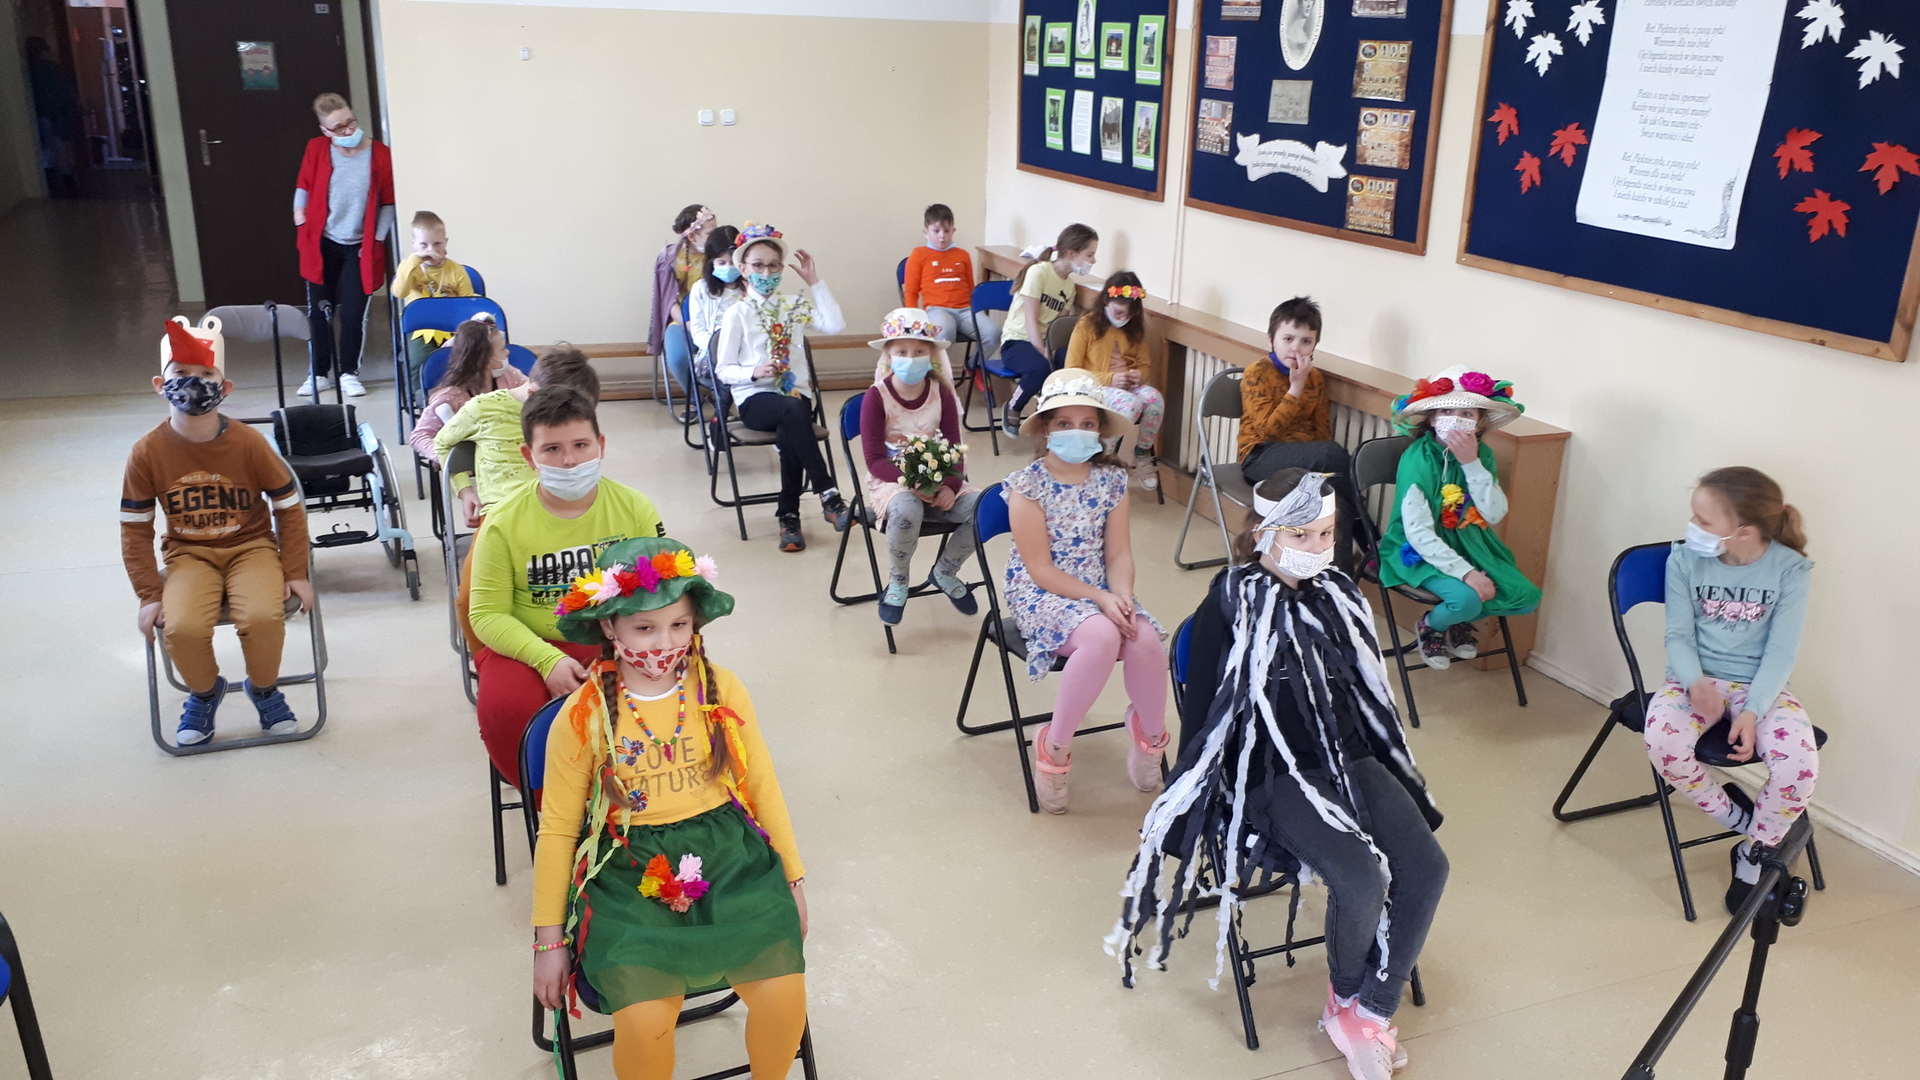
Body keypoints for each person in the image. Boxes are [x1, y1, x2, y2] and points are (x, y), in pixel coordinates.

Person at [1109, 469, 1447, 1080]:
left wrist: (1380, 768)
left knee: (1427, 866)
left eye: (1327, 534)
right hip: (1270, 773)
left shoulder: (1339, 595)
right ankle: (1349, 1000)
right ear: (1264, 531)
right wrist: (1192, 806)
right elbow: (1204, 715)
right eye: (1301, 535)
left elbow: (1363, 697)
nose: (1318, 548)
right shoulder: (1228, 603)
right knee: (1361, 877)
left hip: (1348, 759)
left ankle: (1367, 1010)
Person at [532, 538, 808, 1080]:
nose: (665, 643)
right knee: (644, 1022)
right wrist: (549, 941)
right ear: (609, 626)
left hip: (731, 858)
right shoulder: (583, 715)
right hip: (627, 872)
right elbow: (559, 830)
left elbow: (763, 787)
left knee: (783, 994)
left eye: (679, 625)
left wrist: (793, 880)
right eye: (645, 628)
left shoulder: (719, 688)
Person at [122, 317, 316, 745]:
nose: (193, 383)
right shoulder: (146, 452)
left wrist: (296, 571)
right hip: (188, 555)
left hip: (252, 548)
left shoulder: (248, 443)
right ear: (160, 384)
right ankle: (205, 693)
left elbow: (289, 508)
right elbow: (134, 529)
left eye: (206, 374)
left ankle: (264, 690)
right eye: (181, 372)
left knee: (263, 617)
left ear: (224, 388)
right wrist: (149, 594)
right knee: (182, 628)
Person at [467, 387, 666, 787]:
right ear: (529, 456)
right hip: (527, 645)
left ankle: (644, 796)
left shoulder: (634, 508)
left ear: (601, 445)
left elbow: (660, 594)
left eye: (580, 445)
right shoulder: (503, 522)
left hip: (618, 638)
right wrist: (547, 661)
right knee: (509, 710)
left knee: (661, 701)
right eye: (552, 449)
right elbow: (486, 614)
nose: (570, 460)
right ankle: (550, 804)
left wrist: (619, 651)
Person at [1644, 468, 1816, 914]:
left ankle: (1752, 854)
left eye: (1703, 520)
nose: (1692, 527)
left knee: (1798, 765)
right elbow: (1678, 635)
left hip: (1761, 685)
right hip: (1693, 678)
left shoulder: (1791, 570)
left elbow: (1781, 652)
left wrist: (1753, 710)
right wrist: (1695, 682)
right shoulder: (1684, 560)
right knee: (1663, 743)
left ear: (1744, 531)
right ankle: (1745, 824)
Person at [1002, 370, 1168, 813]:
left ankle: (1151, 737)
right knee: (1101, 636)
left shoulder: (1111, 481)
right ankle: (1054, 747)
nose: (1076, 431)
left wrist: (1122, 595)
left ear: (1100, 431)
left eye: (1087, 423)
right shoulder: (1027, 486)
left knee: (1145, 639)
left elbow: (1118, 553)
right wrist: (1100, 600)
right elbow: (1039, 569)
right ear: (1045, 428)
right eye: (1064, 423)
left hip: (1100, 587)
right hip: (1043, 592)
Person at [1376, 365, 1541, 669]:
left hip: (1470, 543)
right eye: (1446, 411)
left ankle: (1457, 618)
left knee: (1526, 597)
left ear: (1479, 423)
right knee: (1466, 599)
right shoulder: (1419, 460)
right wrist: (1467, 574)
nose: (1455, 419)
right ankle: (1433, 624)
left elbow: (1494, 513)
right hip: (1417, 549)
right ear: (1432, 418)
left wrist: (1471, 464)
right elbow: (1418, 532)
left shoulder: (1483, 456)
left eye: (1467, 414)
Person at [710, 223, 852, 553]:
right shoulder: (736, 314)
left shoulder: (793, 305)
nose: (766, 273)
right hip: (755, 399)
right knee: (792, 414)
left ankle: (789, 518)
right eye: (758, 265)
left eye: (773, 266)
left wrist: (814, 282)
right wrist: (754, 372)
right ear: (743, 269)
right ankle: (828, 494)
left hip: (794, 396)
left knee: (792, 423)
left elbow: (835, 324)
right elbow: (723, 370)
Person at [858, 309, 981, 626]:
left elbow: (954, 447)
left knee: (985, 508)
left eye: (919, 352)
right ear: (888, 355)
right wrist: (912, 482)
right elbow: (874, 460)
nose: (910, 359)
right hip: (893, 479)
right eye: (901, 352)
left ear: (932, 356)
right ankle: (898, 582)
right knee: (907, 509)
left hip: (940, 476)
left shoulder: (942, 394)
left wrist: (950, 486)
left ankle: (945, 571)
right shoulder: (876, 396)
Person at [1237, 296, 1360, 572]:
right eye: (1288, 339)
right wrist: (1295, 388)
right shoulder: (1257, 373)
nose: (1295, 348)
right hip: (1260, 456)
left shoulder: (1315, 378)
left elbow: (1321, 431)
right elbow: (1267, 431)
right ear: (1271, 340)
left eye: (1306, 341)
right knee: (1331, 453)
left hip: (1305, 464)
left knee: (1335, 503)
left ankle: (1339, 581)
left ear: (1315, 345)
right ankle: (1367, 535)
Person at [293, 92, 395, 399]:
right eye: (339, 127)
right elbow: (303, 186)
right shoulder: (316, 148)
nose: (349, 130)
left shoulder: (380, 154)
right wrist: (300, 220)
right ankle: (318, 373)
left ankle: (349, 372)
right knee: (318, 312)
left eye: (351, 122)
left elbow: (388, 202)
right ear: (325, 131)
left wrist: (376, 240)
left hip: (359, 246)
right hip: (321, 241)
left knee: (353, 314)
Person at [435, 346, 600, 526]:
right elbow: (442, 443)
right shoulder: (483, 409)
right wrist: (465, 491)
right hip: (503, 514)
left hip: (562, 508)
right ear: (533, 394)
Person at [1063, 271, 1163, 491]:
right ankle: (1101, 455)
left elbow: (1144, 365)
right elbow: (1072, 370)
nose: (1123, 318)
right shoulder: (1087, 325)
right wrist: (1109, 379)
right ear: (1106, 300)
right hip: (1093, 388)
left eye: (1129, 315)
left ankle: (1142, 453)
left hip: (1126, 387)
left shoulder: (1134, 328)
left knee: (1154, 399)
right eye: (1118, 312)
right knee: (1130, 404)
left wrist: (1140, 375)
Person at [997, 224, 1098, 438]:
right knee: (1041, 367)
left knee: (1071, 363)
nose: (1093, 261)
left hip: (1045, 343)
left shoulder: (1069, 287)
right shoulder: (1039, 272)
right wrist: (1044, 352)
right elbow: (1030, 322)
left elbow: (1057, 328)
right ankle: (1014, 406)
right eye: (1089, 255)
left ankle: (1056, 418)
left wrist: (1052, 350)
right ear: (1071, 253)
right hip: (1017, 341)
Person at [408, 314, 526, 464]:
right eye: (502, 349)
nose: (508, 353)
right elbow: (419, 436)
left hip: (513, 454)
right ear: (485, 359)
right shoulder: (451, 396)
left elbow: (534, 395)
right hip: (479, 462)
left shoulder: (509, 375)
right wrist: (448, 458)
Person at [392, 210, 478, 384]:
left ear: (446, 242)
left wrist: (459, 336)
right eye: (423, 245)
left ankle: (460, 394)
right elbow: (399, 292)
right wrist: (413, 260)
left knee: (466, 358)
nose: (431, 250)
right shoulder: (409, 269)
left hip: (453, 329)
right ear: (414, 244)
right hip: (420, 330)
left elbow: (468, 306)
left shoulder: (457, 271)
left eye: (437, 244)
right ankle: (420, 395)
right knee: (418, 360)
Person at [903, 204, 997, 363]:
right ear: (926, 232)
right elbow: (911, 291)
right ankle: (938, 373)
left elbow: (970, 287)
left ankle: (974, 366)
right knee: (944, 332)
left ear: (953, 231)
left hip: (966, 310)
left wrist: (975, 308)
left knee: (993, 333)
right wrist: (912, 318)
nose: (942, 236)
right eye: (936, 231)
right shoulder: (919, 254)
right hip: (937, 309)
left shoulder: (962, 255)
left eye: (946, 231)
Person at [651, 204, 717, 401]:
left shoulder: (719, 256)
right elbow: (668, 300)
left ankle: (721, 398)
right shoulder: (670, 259)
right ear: (693, 236)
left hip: (715, 318)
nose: (715, 237)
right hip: (682, 320)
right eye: (710, 233)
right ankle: (696, 399)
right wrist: (689, 323)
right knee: (678, 358)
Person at [685, 225, 745, 406]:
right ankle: (723, 411)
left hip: (745, 355)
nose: (728, 268)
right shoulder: (701, 289)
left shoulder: (750, 289)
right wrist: (721, 349)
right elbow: (697, 331)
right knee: (729, 371)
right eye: (721, 263)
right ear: (711, 262)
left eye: (733, 262)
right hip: (711, 357)